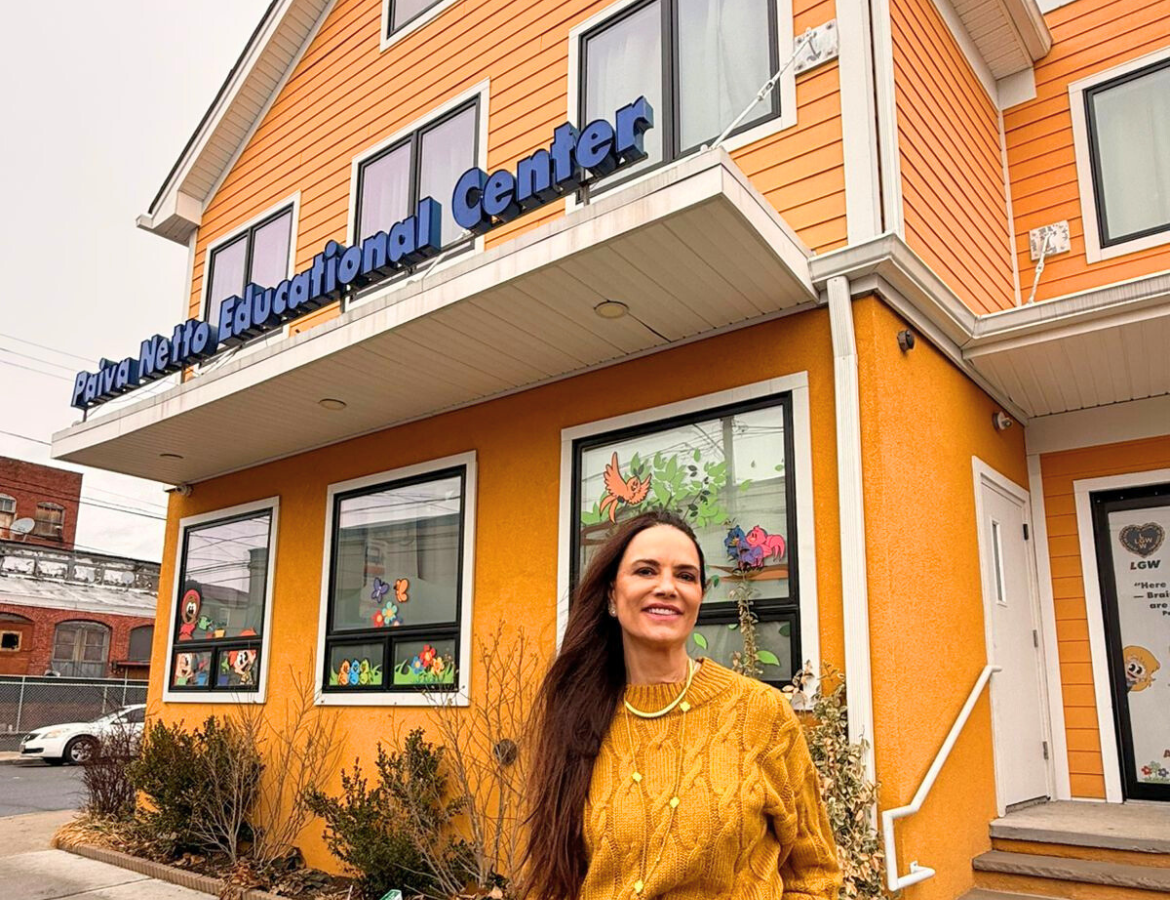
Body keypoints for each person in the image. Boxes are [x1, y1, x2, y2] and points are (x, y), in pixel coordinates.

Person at [524, 509, 841, 900]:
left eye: (685, 576)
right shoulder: (578, 717)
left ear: (700, 597)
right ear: (611, 595)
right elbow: (556, 878)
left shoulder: (760, 712)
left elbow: (815, 877)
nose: (667, 587)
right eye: (646, 571)